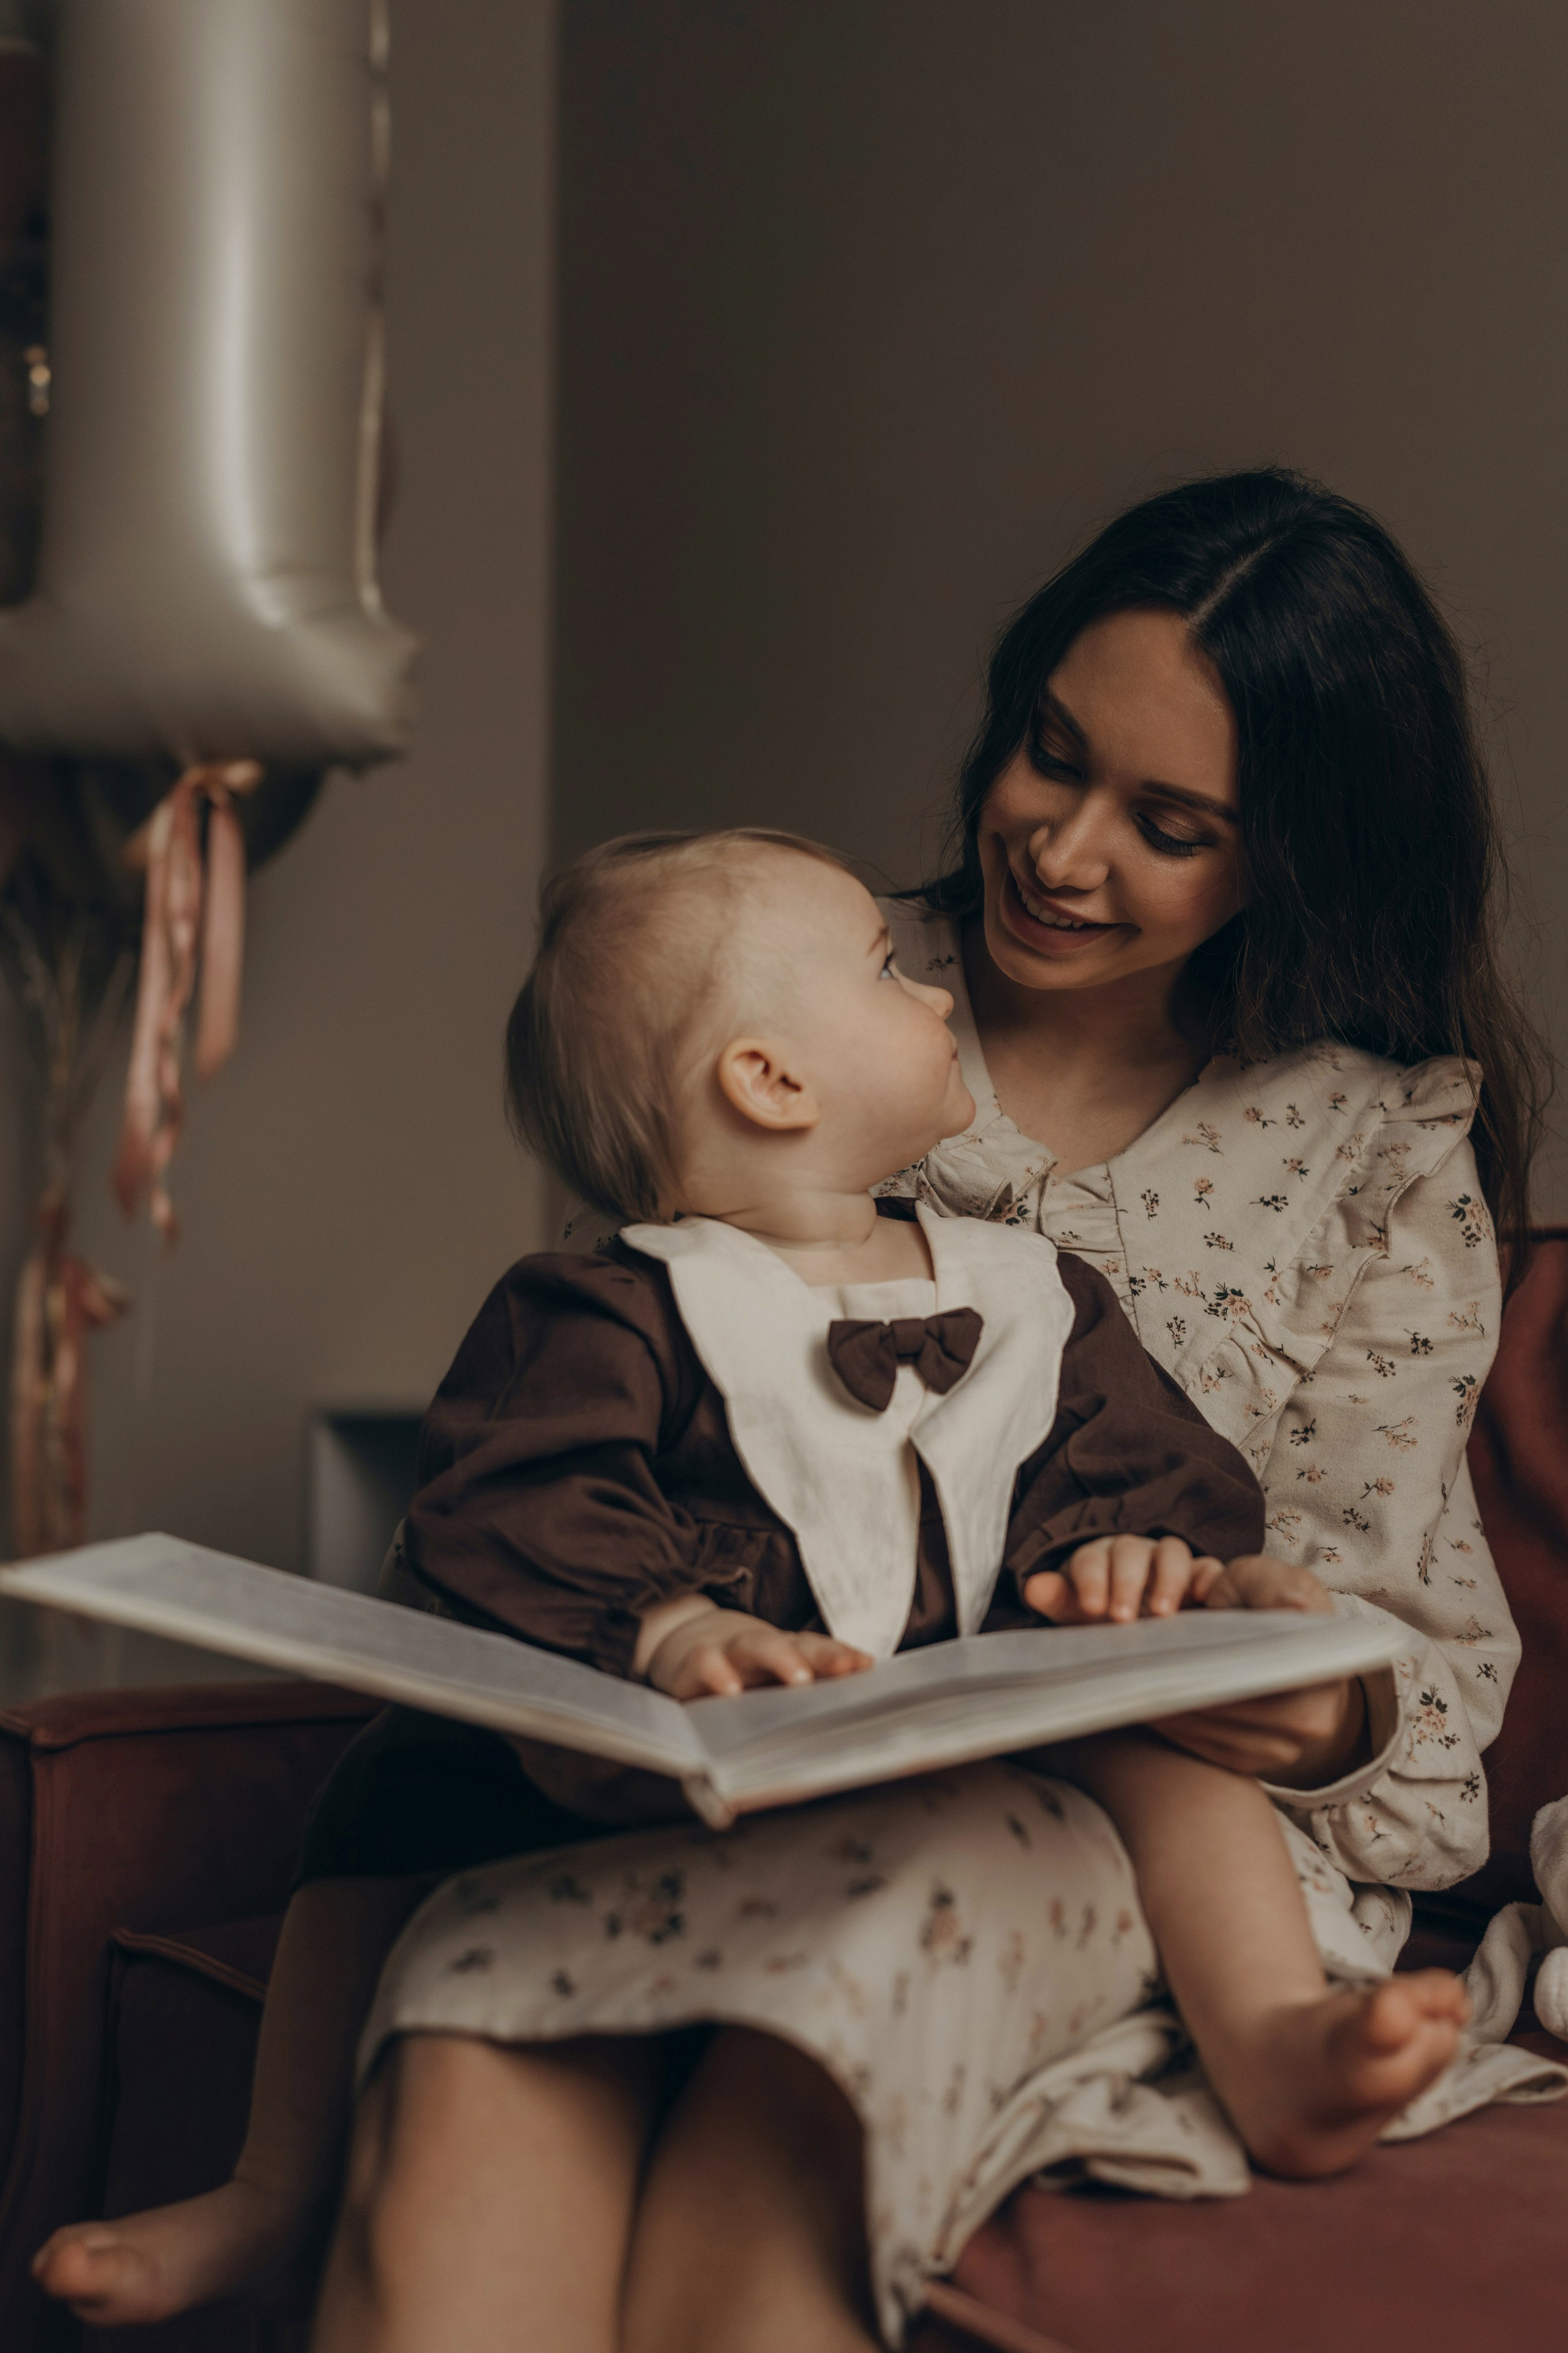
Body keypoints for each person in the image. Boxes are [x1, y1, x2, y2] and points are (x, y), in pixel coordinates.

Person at [37, 468, 1565, 2340]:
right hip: (748, 1770)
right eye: (1047, 752)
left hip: (1139, 1831)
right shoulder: (805, 984)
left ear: (1292, 854)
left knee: (782, 2061)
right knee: (468, 2040)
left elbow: (1410, 1712)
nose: (1061, 851)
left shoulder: (1368, 1150)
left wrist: (1275, 1671)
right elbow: (632, 1404)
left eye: (1166, 823)